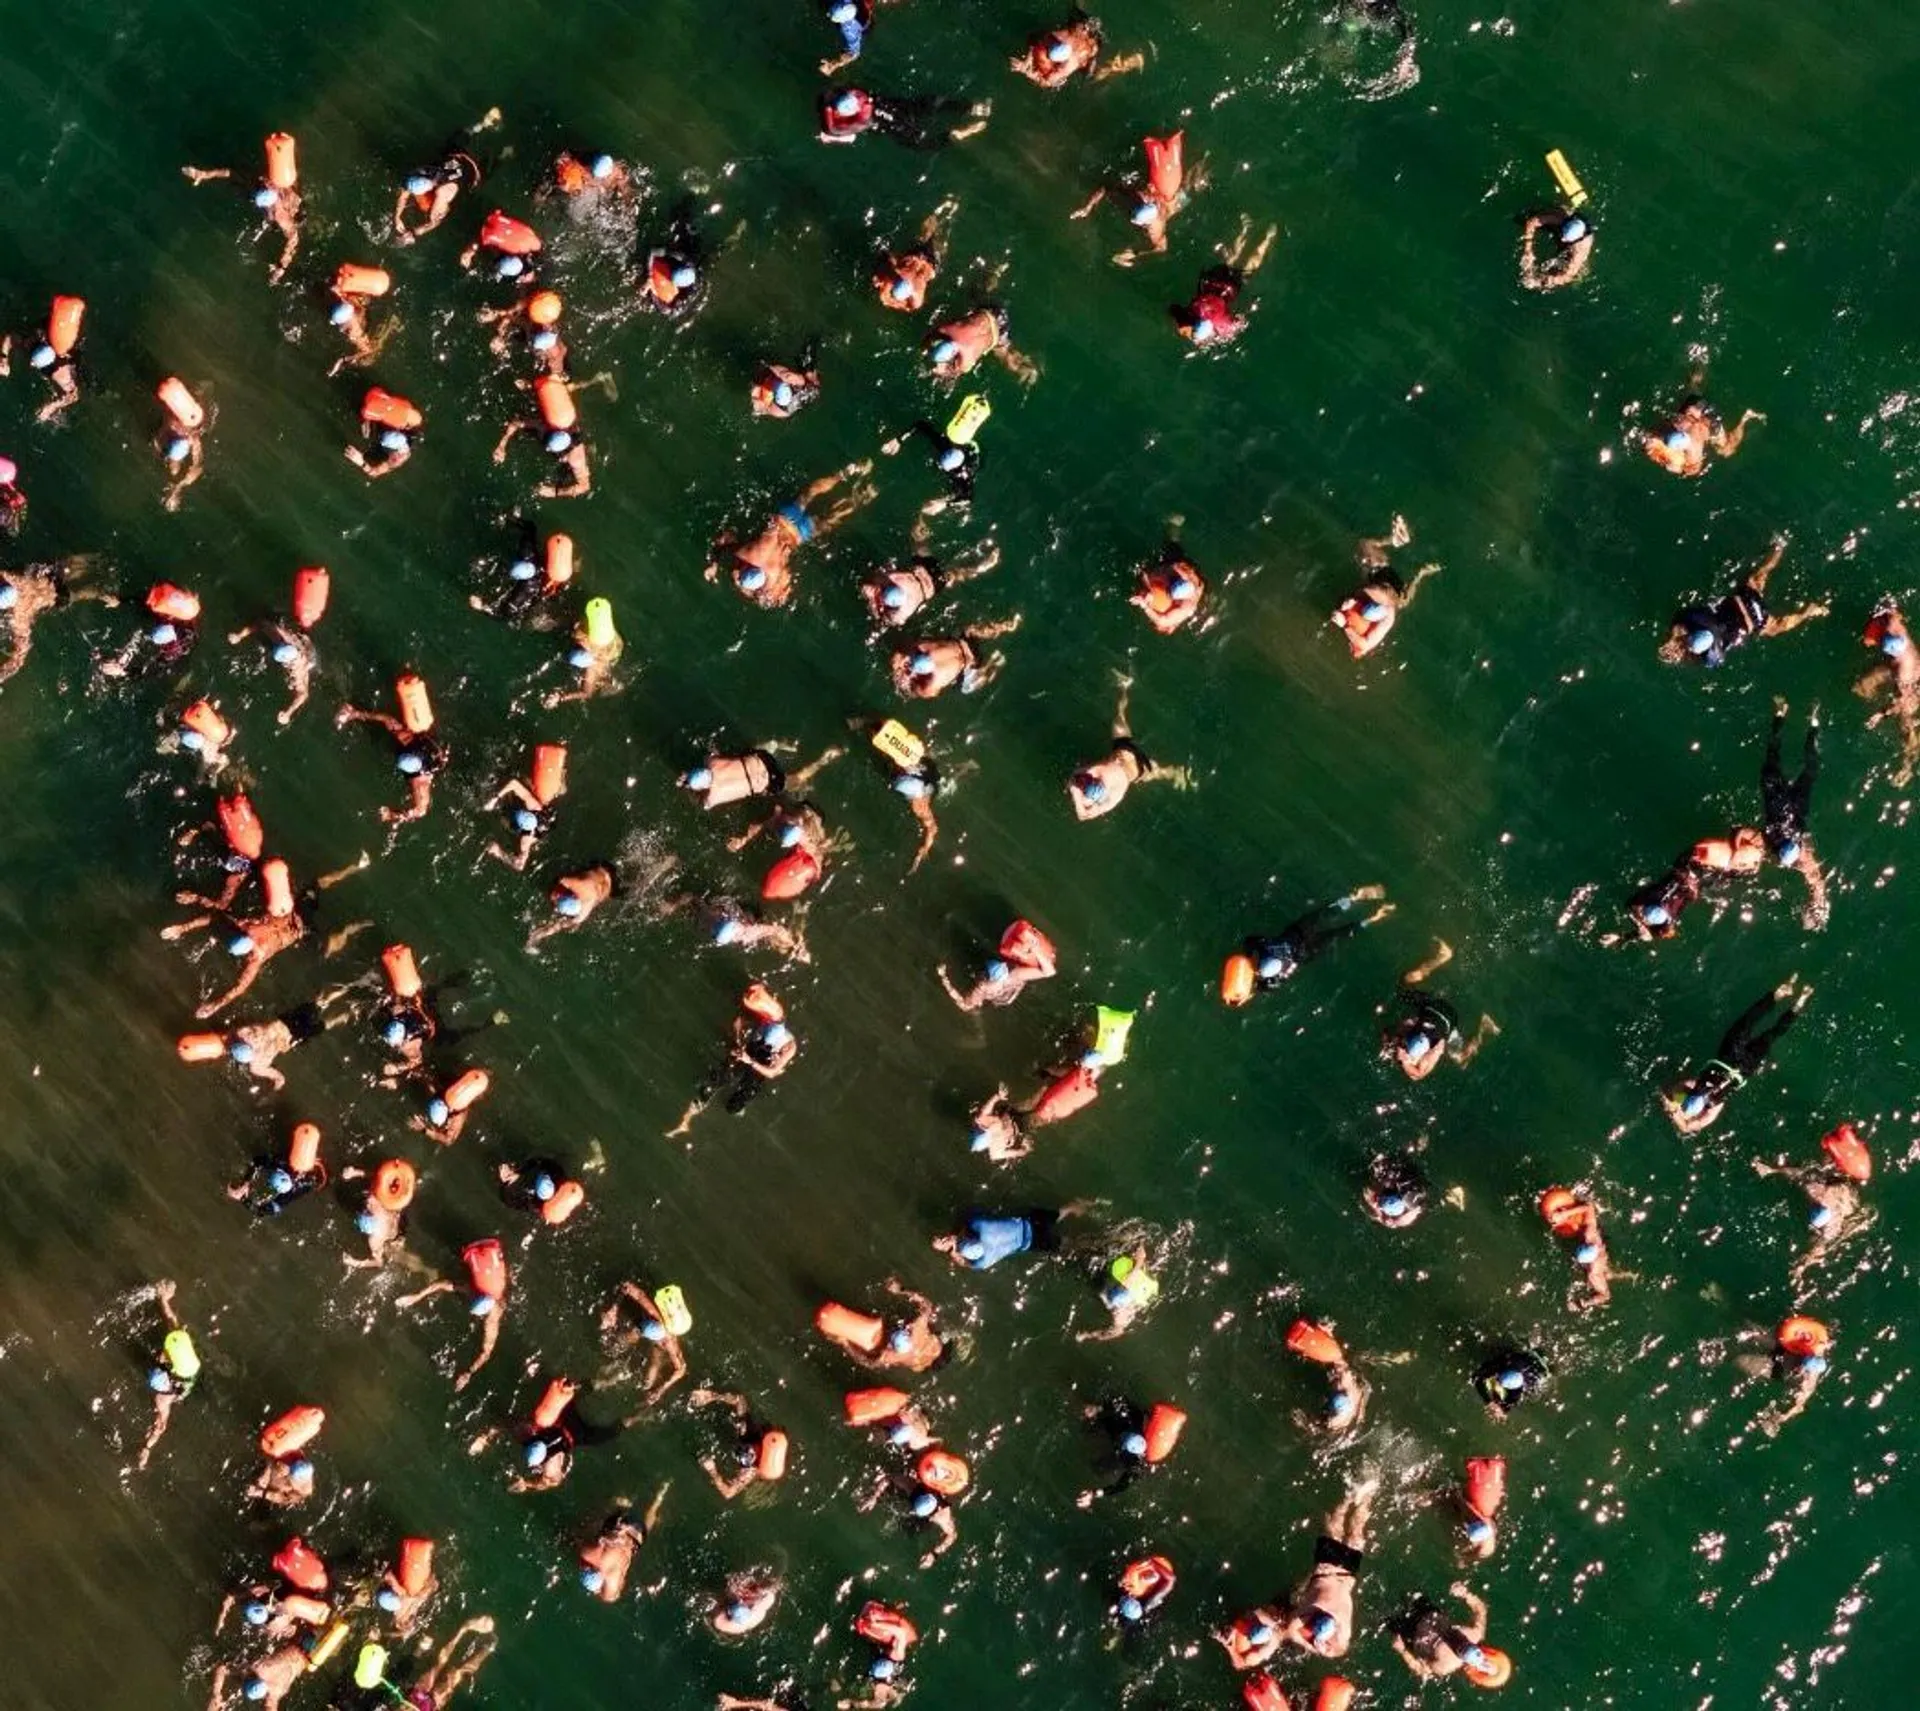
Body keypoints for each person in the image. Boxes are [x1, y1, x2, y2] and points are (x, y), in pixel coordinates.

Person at [707, 462, 876, 609]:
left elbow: (780, 592)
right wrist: (713, 563)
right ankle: (843, 475)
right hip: (786, 518)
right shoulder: (748, 554)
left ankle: (862, 497)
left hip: (800, 536)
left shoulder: (773, 581)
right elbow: (725, 539)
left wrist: (744, 589)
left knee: (831, 519)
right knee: (810, 493)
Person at [1662, 977, 1813, 1134]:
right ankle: (1785, 997)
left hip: (1741, 1064)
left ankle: (1795, 1003)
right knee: (1751, 1024)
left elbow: (1686, 1122)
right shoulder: (1702, 1092)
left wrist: (1675, 1111)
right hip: (1735, 1058)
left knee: (1768, 1033)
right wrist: (1674, 1108)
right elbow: (1676, 1103)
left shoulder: (1712, 1103)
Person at [1658, 536, 1826, 667]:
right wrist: (1677, 637)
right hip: (1744, 599)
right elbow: (1683, 622)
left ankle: (1809, 612)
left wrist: (1680, 645)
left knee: (1775, 627)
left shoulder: (1711, 651)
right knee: (1759, 577)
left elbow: (1711, 658)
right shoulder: (1698, 620)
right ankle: (1779, 550)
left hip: (1753, 620)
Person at [1222, 889, 1393, 1005]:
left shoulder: (1280, 976)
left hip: (1306, 952)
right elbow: (1251, 941)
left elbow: (1261, 987)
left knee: (1338, 934)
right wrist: (1248, 956)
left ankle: (1373, 918)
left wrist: (1245, 994)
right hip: (1298, 933)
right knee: (1324, 914)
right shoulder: (1266, 946)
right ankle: (1353, 898)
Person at [666, 985, 799, 1134]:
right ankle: (687, 1120)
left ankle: (737, 1106)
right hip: (749, 1052)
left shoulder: (790, 1046)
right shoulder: (766, 1024)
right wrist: (737, 1035)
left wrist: (750, 1061)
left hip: (760, 1066)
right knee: (715, 1081)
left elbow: (772, 1073)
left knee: (733, 1107)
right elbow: (747, 1023)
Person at [182, 132, 303, 282]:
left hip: (292, 206)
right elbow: (231, 173)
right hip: (280, 190)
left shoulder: (280, 216)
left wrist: (281, 267)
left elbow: (293, 238)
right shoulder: (262, 183)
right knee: (243, 180)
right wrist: (204, 174)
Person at [1069, 672, 1191, 820]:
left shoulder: (1116, 794)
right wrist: (1078, 794)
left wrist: (1079, 801)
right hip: (1126, 749)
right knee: (1119, 716)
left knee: (1158, 773)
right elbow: (1077, 778)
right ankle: (1124, 687)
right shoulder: (1099, 772)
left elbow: (1084, 812)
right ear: (1096, 781)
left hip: (1138, 769)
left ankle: (1177, 773)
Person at [394, 1239, 509, 1390]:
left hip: (489, 1248)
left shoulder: (492, 1318)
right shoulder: (474, 1291)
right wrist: (416, 1297)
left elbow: (487, 1351)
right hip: (483, 1253)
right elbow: (486, 1351)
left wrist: (469, 1372)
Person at [1072, 132, 1201, 265]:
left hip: (1174, 203)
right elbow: (1105, 189)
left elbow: (1162, 247)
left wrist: (1135, 254)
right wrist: (1088, 207)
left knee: (1191, 185)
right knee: (1190, 184)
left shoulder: (1155, 227)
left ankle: (1199, 164)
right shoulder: (1138, 199)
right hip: (1168, 198)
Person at [1752, 1146, 1872, 1288]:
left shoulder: (1820, 1200)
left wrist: (1772, 1171)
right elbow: (1818, 1249)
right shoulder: (1823, 1197)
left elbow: (1818, 1249)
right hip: (1846, 1194)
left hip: (1844, 1199)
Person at [1283, 1480, 1376, 1657]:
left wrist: (1318, 1646)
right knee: (1335, 1522)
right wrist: (1313, 1645)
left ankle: (1367, 1495)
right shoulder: (1307, 1612)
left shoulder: (1345, 1631)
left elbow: (1339, 1650)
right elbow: (1291, 1630)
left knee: (1357, 1529)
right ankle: (1349, 1497)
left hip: (1348, 1571)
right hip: (1326, 1564)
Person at [336, 678, 446, 826]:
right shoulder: (408, 740)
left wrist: (392, 816)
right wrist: (356, 714)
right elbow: (388, 719)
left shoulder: (420, 782)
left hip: (429, 759)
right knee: (407, 730)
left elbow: (420, 811)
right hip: (423, 747)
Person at [1383, 941, 1499, 1078]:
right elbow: (1418, 1074)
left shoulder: (1432, 1050)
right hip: (1436, 1010)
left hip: (1447, 1019)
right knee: (1403, 986)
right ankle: (1442, 957)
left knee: (1461, 1059)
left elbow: (1418, 1074)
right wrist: (1401, 1055)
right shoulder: (1429, 1049)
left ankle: (1484, 1027)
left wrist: (1402, 1057)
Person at [1760, 699, 1829, 927]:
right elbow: (1816, 883)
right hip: (1777, 797)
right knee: (1772, 756)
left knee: (1810, 770)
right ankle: (1782, 715)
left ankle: (1812, 723)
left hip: (1795, 806)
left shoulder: (1798, 853)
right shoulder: (1771, 840)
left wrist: (1817, 908)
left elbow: (1817, 883)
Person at [1329, 516, 1440, 658]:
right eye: (1352, 648)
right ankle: (1417, 569)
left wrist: (1350, 602)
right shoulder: (1365, 640)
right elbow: (1364, 645)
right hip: (1388, 596)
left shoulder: (1358, 624)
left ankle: (1397, 543)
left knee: (1365, 546)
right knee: (1366, 551)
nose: (1350, 645)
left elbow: (1361, 595)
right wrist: (1344, 624)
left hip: (1384, 587)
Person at [0, 559, 115, 686]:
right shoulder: (12, 579)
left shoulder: (20, 615)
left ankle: (107, 595)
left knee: (80, 594)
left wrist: (3, 674)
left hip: (58, 597)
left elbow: (20, 656)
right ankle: (102, 560)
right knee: (75, 563)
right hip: (52, 576)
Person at [1172, 219, 1278, 347]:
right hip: (1213, 281)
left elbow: (1239, 323)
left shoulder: (1221, 323)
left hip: (1229, 288)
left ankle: (1266, 238)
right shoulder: (1193, 312)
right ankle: (1247, 230)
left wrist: (1248, 310)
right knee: (1232, 259)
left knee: (1248, 266)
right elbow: (1174, 308)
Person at [216, 995, 350, 1092]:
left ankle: (342, 1017)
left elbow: (280, 1078)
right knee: (316, 1004)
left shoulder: (257, 1065)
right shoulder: (245, 1033)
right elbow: (234, 1033)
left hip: (292, 1036)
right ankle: (342, 991)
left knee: (322, 1026)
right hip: (285, 1022)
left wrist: (276, 1088)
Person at [1390, 1585, 1508, 1686]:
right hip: (1427, 1612)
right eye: (1462, 1640)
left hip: (1408, 1632)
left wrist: (1402, 1650)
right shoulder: (1475, 1634)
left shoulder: (1445, 1666)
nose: (1457, 1641)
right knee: (1410, 1590)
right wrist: (1466, 1594)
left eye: (1459, 1647)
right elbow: (1480, 1610)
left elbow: (1421, 1669)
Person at [137, 1280, 198, 1471]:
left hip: (185, 1377)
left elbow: (160, 1426)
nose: (160, 1357)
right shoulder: (178, 1339)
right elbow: (171, 1320)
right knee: (173, 1327)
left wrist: (147, 1448)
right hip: (187, 1370)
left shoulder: (164, 1399)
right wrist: (164, 1300)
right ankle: (164, 1298)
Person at [1642, 380, 1763, 477]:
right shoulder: (1677, 445)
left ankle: (1744, 419)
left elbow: (1692, 468)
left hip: (1703, 419)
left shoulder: (1691, 454)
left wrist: (1680, 467)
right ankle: (1696, 378)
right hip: (1693, 411)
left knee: (1727, 449)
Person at [1858, 603, 1920, 783]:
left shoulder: (1903, 672)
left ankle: (1908, 763)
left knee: (1905, 721)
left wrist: (1881, 713)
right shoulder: (1895, 627)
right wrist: (1887, 610)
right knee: (1862, 687)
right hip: (1907, 667)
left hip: (1911, 683)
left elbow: (1901, 701)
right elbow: (1892, 611)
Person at [599, 1282, 690, 1403]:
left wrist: (661, 1390)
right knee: (616, 1341)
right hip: (647, 1326)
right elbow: (628, 1286)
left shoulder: (669, 1343)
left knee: (648, 1381)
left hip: (658, 1345)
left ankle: (646, 1399)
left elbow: (681, 1369)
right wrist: (614, 1308)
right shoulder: (654, 1315)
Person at [482, 742, 567, 870]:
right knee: (526, 785)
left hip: (541, 827)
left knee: (505, 818)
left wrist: (499, 853)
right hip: (544, 817)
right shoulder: (534, 807)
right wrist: (495, 799)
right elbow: (514, 783)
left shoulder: (525, 841)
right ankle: (560, 784)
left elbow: (520, 866)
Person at [889, 619, 1021, 701]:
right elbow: (911, 649)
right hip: (963, 644)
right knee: (971, 630)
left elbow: (933, 693)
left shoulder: (931, 683)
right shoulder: (925, 648)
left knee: (967, 687)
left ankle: (995, 663)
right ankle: (1006, 626)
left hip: (969, 666)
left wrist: (910, 679)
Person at [818, 87, 991, 149]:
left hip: (892, 125)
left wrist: (830, 137)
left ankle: (959, 134)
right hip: (893, 106)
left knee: (921, 142)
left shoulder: (858, 122)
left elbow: (850, 136)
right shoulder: (859, 95)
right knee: (925, 106)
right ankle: (971, 108)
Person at [693, 1389, 790, 1498]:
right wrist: (712, 1396)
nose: (749, 1452)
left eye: (750, 1457)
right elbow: (739, 1400)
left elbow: (728, 1493)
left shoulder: (749, 1471)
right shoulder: (752, 1431)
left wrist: (712, 1471)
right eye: (753, 1450)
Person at [227, 613, 317, 726]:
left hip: (307, 656)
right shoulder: (280, 638)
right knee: (268, 626)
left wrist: (288, 713)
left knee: (308, 664)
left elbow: (303, 694)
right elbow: (260, 624)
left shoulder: (297, 669)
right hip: (289, 641)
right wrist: (239, 636)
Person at [938, 925, 1056, 1011]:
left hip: (1005, 989)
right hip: (1006, 992)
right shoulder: (1009, 978)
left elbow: (964, 1005)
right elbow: (1049, 971)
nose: (982, 981)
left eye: (985, 977)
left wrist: (944, 978)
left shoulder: (985, 987)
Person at [1011, 11, 1143, 87]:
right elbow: (1036, 41)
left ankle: (1130, 62)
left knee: (1094, 76)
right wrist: (1027, 61)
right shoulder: (1067, 34)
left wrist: (1027, 72)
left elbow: (1047, 82)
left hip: (1087, 56)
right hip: (1088, 43)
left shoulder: (1069, 64)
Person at [873, 199, 958, 313]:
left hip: (929, 261)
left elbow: (888, 259)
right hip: (920, 256)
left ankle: (948, 209)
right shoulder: (895, 278)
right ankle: (947, 207)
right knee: (933, 232)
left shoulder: (913, 295)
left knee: (938, 237)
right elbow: (889, 258)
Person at [1752, 1317, 1832, 1435]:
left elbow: (1799, 1408)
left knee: (1745, 1361)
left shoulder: (1806, 1386)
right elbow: (1821, 1341)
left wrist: (1781, 1418)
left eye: (1804, 1369)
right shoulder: (1815, 1354)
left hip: (1784, 1370)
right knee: (1756, 1333)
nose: (1802, 1369)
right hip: (1790, 1355)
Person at [933, 1205, 1078, 1271]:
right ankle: (1079, 1206)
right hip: (1028, 1222)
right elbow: (974, 1213)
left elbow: (967, 1264)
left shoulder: (984, 1261)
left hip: (1030, 1242)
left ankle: (1081, 1243)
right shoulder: (977, 1225)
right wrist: (956, 1239)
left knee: (1066, 1244)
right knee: (1061, 1212)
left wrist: (954, 1252)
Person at [395, 1614, 497, 1707]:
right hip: (425, 1704)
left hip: (413, 1700)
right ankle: (486, 1645)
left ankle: (465, 1630)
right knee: (454, 1675)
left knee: (440, 1668)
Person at [393, 139, 484, 243]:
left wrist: (413, 233)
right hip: (454, 155)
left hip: (470, 172)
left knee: (430, 209)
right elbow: (404, 194)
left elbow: (435, 221)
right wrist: (397, 217)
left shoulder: (443, 191)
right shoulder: (422, 172)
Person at [578, 1497, 665, 1602]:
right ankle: (622, 1506)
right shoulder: (588, 1554)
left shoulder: (612, 1582)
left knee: (647, 1524)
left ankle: (657, 1502)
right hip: (620, 1526)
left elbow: (612, 1597)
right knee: (603, 1527)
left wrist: (598, 1592)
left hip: (636, 1535)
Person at [1538, 1187, 1612, 1310]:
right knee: (1607, 1273)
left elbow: (1606, 1296)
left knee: (1602, 1282)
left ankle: (1624, 1275)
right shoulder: (1590, 1234)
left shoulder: (1593, 1274)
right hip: (1599, 1255)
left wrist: (1584, 1303)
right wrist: (1565, 1214)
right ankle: (1626, 1275)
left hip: (1598, 1267)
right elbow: (1589, 1206)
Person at [924, 306, 1037, 384]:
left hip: (998, 319)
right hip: (991, 320)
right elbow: (945, 373)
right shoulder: (967, 363)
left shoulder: (968, 358)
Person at [638, 206, 709, 319]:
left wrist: (653, 292)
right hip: (677, 253)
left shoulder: (691, 289)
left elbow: (668, 311)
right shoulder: (677, 256)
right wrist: (650, 275)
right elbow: (653, 252)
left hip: (692, 256)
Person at [1079, 1246, 1160, 1342]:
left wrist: (1088, 1335)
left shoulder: (1120, 1318)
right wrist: (1140, 1259)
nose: (1115, 1313)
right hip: (1115, 1277)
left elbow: (1114, 1332)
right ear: (1129, 1312)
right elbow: (1129, 1280)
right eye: (1118, 1313)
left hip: (1105, 1281)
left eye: (1115, 1314)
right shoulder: (1126, 1300)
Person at [528, 863, 618, 949]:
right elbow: (558, 926)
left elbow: (561, 880)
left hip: (605, 876)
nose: (555, 897)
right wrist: (541, 934)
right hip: (603, 881)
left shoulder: (581, 887)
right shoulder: (581, 915)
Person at [343, 387, 422, 481]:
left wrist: (361, 462)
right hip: (393, 413)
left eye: (394, 458)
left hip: (381, 422)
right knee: (414, 418)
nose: (397, 457)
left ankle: (375, 411)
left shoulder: (393, 457)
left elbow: (374, 473)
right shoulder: (410, 430)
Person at [155, 379, 207, 511]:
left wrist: (179, 487)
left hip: (182, 421)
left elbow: (198, 464)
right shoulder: (185, 435)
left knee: (174, 469)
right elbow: (197, 463)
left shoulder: (174, 431)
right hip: (185, 418)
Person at [1131, 543, 1207, 634]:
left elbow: (1162, 621)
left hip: (1176, 574)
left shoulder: (1186, 606)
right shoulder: (1182, 574)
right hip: (1177, 570)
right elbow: (1162, 621)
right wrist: (1145, 604)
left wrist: (1145, 604)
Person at [1517, 206, 1593, 291]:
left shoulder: (1580, 249)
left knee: (1567, 272)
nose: (1561, 239)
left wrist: (1540, 281)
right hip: (1562, 222)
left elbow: (1567, 277)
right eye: (1562, 234)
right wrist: (1528, 249)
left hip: (1572, 248)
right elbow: (1532, 222)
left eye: (1565, 238)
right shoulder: (1560, 218)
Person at [1472, 1348, 1549, 1419]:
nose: (1497, 1379)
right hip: (1524, 1359)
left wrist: (1496, 1407)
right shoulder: (1505, 1362)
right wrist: (1488, 1401)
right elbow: (1477, 1379)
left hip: (1534, 1368)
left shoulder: (1518, 1392)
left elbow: (1507, 1406)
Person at [1361, 1149, 1429, 1227]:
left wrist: (1380, 1215)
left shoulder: (1410, 1206)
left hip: (1410, 1179)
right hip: (1409, 1179)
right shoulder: (1410, 1205)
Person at [751, 351, 822, 420]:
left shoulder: (779, 411)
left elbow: (759, 408)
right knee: (809, 376)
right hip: (806, 391)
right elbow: (775, 369)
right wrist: (767, 365)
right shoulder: (795, 380)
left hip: (795, 399)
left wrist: (756, 394)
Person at [712, 1572, 783, 1636]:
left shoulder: (721, 1623)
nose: (740, 1601)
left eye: (740, 1602)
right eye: (742, 1602)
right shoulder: (759, 1609)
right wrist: (760, 1591)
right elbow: (769, 1595)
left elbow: (718, 1607)